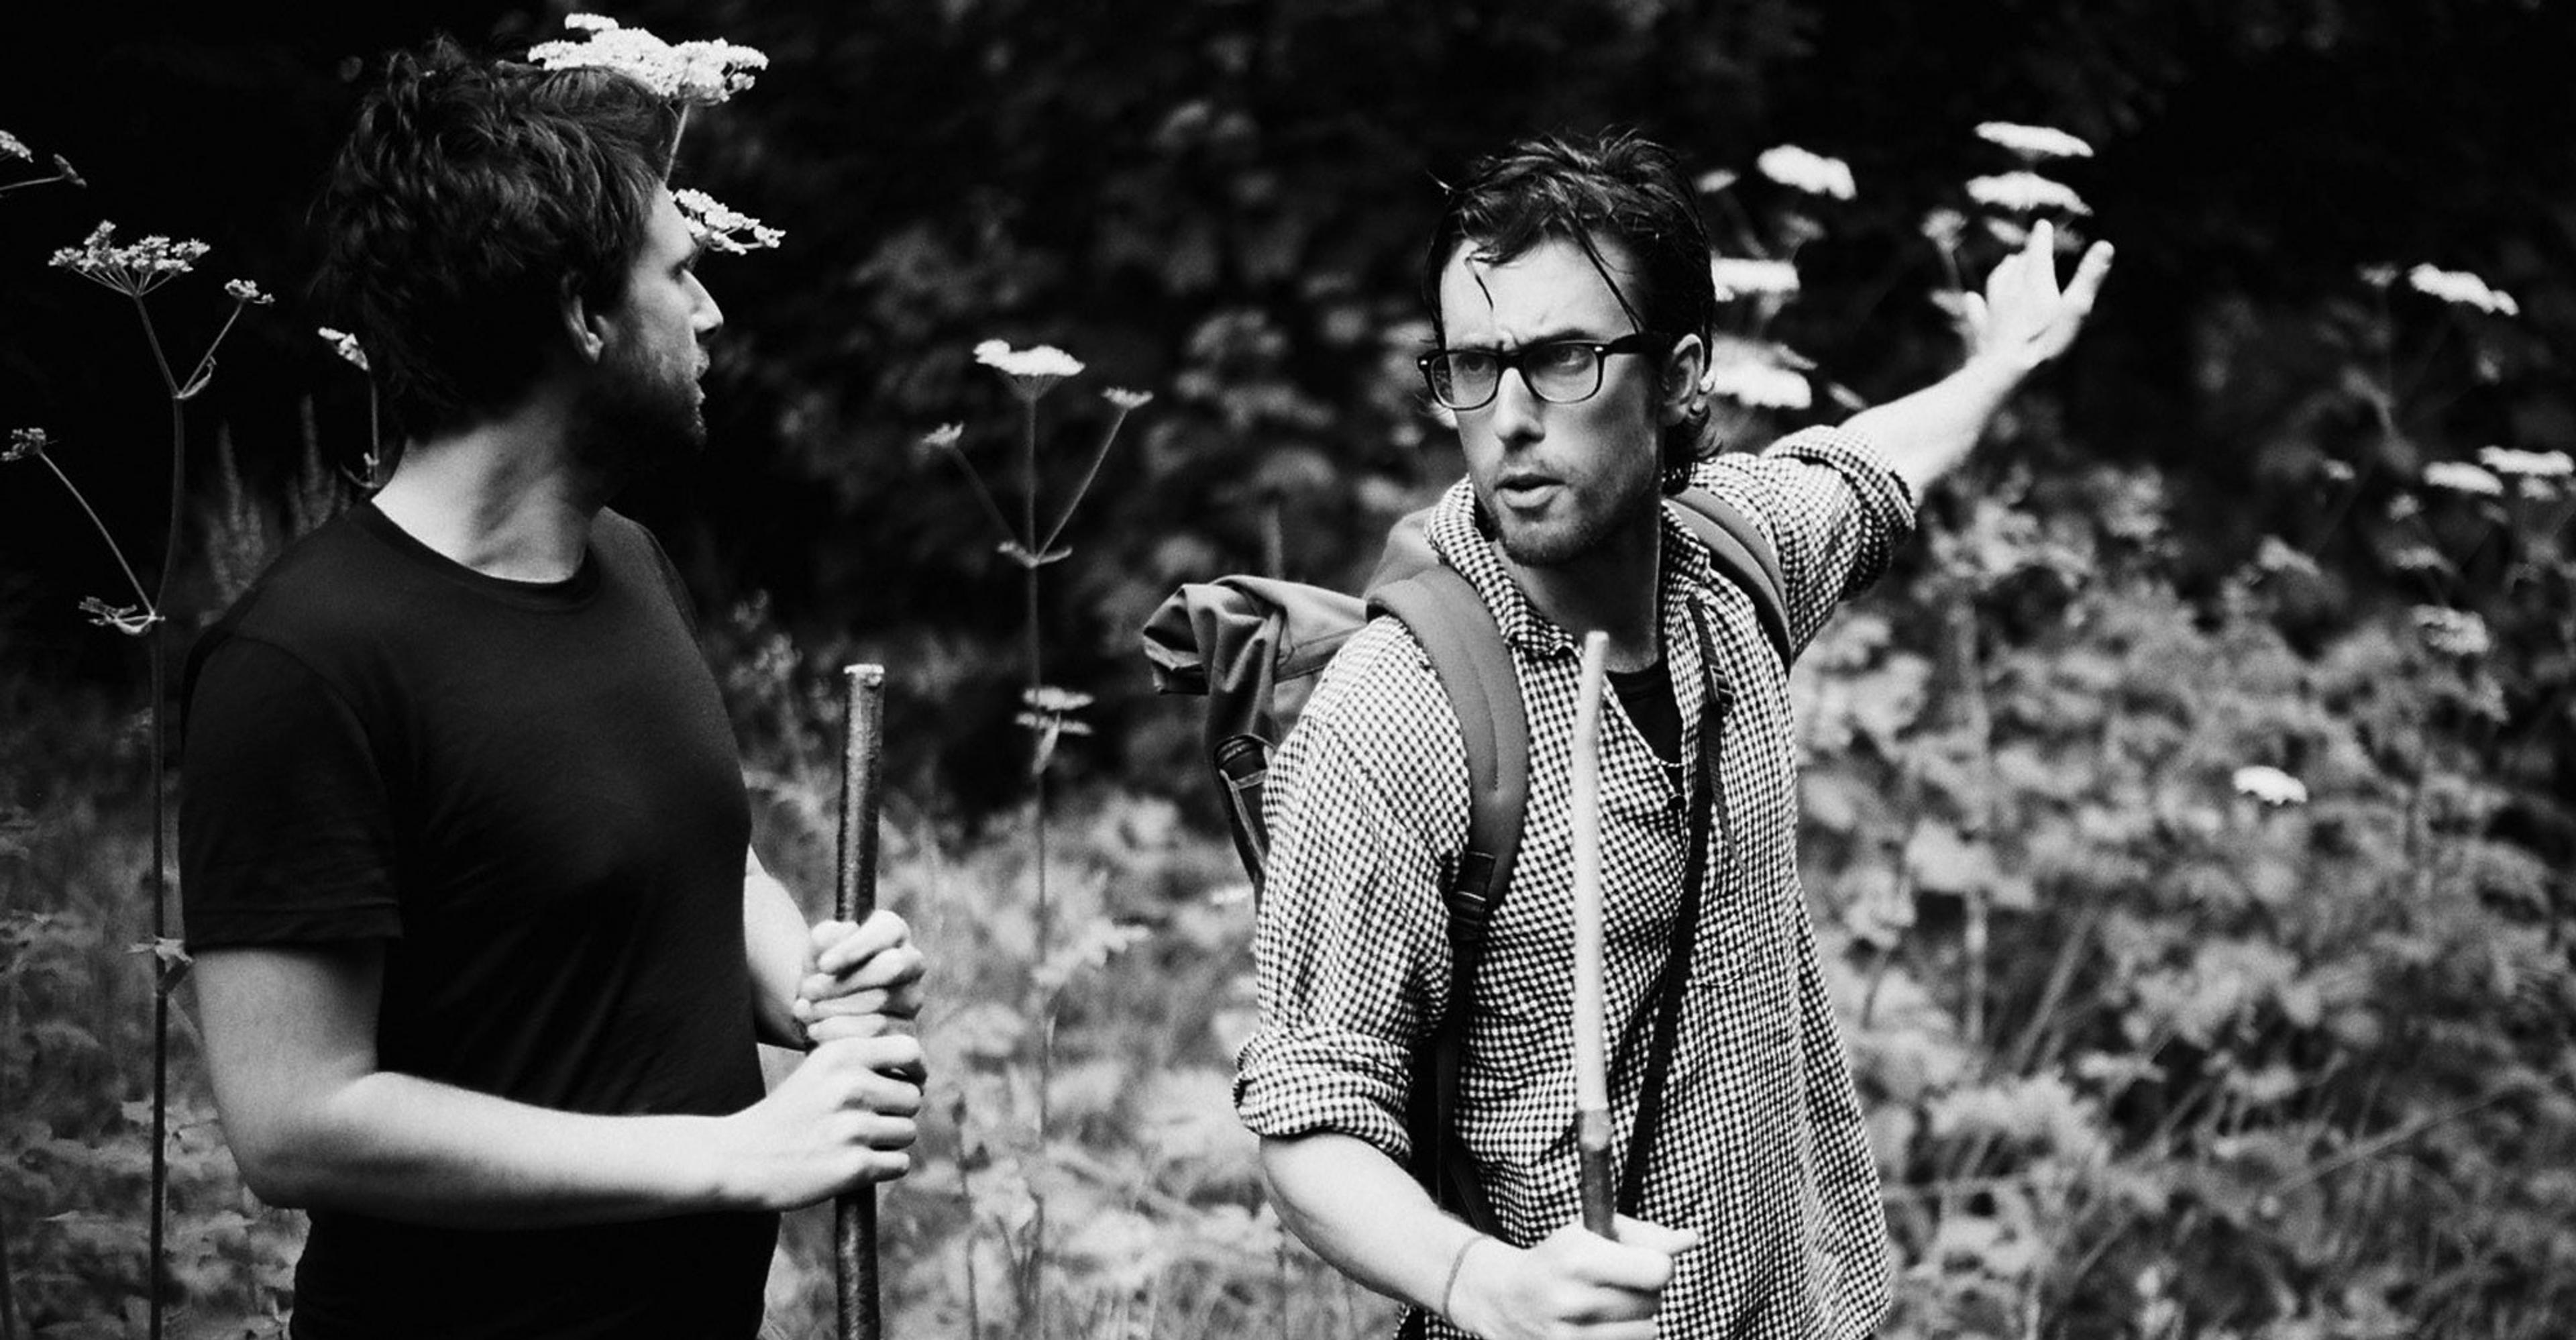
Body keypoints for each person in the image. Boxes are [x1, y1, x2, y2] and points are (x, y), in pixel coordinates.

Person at [1234, 132, 2111, 1339]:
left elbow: (1871, 467)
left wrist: (2002, 362)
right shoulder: (1398, 714)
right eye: (1474, 366)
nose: (1510, 419)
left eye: (1564, 359)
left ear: (1681, 376)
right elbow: (1306, 1118)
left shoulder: (1737, 568)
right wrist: (1483, 1284)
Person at [177, 40, 924, 1338]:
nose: (712, 314)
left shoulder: (626, 562)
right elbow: (296, 1118)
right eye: (680, 275)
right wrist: (734, 1153)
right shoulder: (304, 664)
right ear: (583, 313)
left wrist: (815, 980)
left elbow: (703, 873)